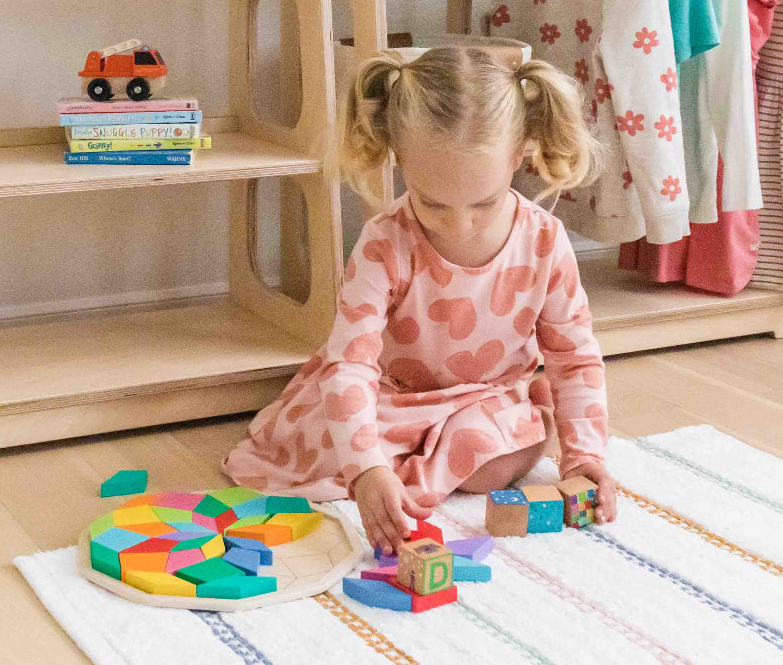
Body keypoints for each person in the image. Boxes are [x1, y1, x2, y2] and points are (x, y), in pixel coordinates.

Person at [223, 46, 616, 554]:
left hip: (485, 398)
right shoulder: (384, 241)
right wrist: (366, 471)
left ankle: (419, 464)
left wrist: (585, 458)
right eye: (432, 202)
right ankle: (401, 469)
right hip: (394, 395)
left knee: (491, 461)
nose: (459, 223)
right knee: (328, 447)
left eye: (484, 202)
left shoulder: (543, 240)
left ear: (521, 155)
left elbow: (574, 358)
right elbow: (350, 367)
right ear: (398, 158)